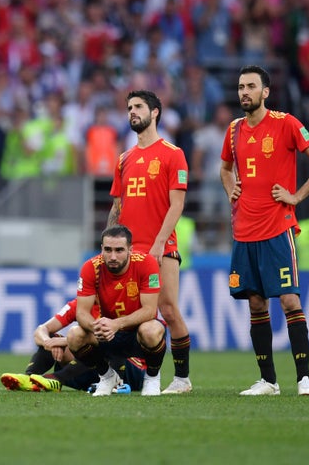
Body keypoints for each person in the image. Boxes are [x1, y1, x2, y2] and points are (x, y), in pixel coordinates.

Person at [220, 65, 309, 396]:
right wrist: (231, 188)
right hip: (244, 231)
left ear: (265, 92)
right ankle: (268, 381)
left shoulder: (286, 124)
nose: (244, 92)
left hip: (276, 228)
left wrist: (296, 196)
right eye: (241, 86)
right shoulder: (233, 130)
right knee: (256, 305)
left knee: (288, 301)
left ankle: (304, 378)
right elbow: (224, 168)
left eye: (251, 86)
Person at [107, 90, 193, 394]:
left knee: (168, 310)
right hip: (129, 252)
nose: (132, 112)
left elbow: (177, 205)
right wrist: (107, 244)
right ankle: (120, 376)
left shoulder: (173, 153)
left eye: (139, 107)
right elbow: (117, 206)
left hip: (161, 248)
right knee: (123, 318)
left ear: (155, 112)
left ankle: (182, 378)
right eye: (129, 107)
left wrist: (157, 245)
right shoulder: (124, 159)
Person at [62, 225, 167, 397]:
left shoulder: (147, 263)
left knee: (151, 330)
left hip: (137, 333)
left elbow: (149, 310)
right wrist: (97, 326)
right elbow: (81, 313)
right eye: (108, 250)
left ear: (130, 250)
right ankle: (107, 376)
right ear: (101, 248)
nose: (112, 256)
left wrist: (117, 324)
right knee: (74, 335)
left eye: (119, 250)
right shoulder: (90, 267)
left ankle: (152, 377)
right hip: (107, 333)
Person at [0, 298, 146, 393]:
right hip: (93, 372)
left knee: (96, 346)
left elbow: (111, 339)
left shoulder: (120, 304)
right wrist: (49, 343)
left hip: (130, 370)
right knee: (53, 337)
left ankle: (57, 378)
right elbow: (41, 330)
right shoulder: (78, 305)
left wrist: (64, 342)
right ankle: (30, 378)